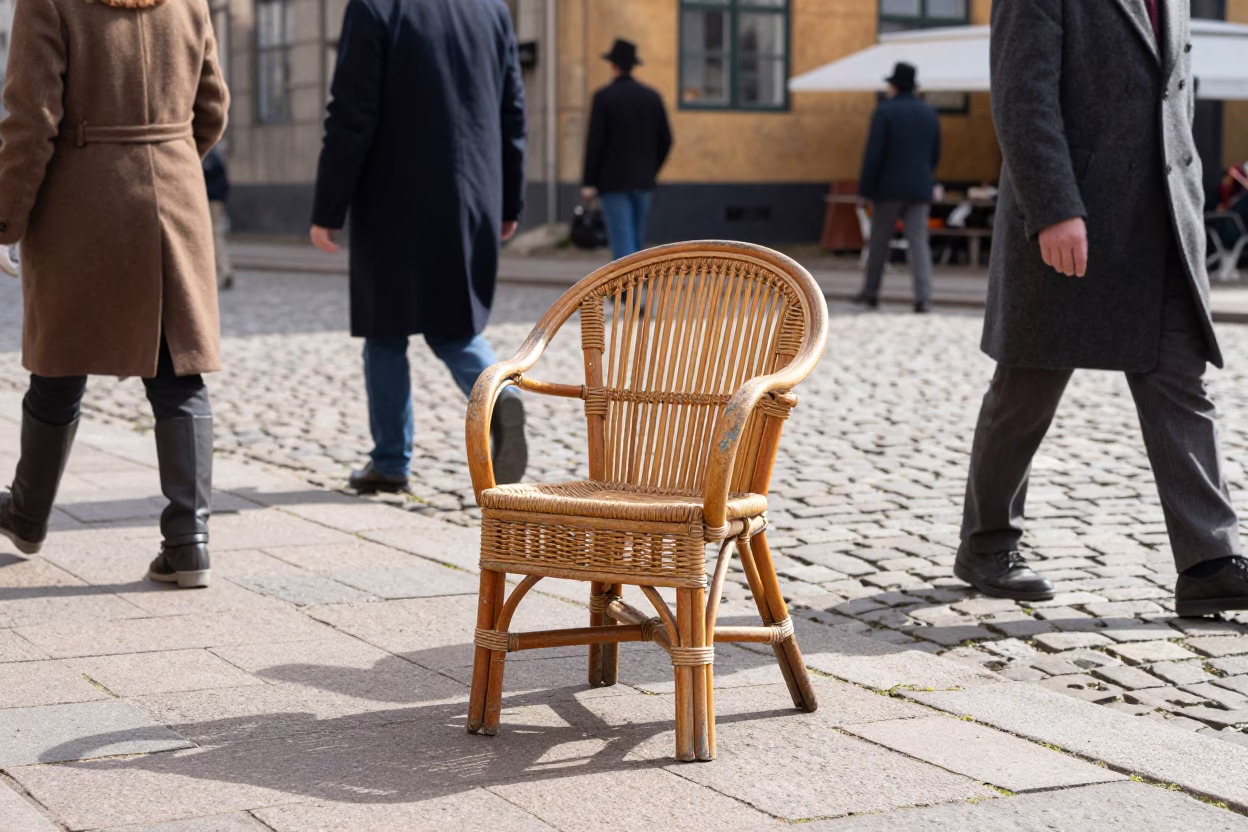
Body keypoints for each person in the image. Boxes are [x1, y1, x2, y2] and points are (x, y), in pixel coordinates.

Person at [957, 0, 1248, 618]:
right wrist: (1054, 206)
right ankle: (987, 545)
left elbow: (1174, 102)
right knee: (1026, 388)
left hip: (1163, 224)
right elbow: (1022, 96)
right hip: (1070, 221)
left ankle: (1209, 562)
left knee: (1180, 380)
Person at [0, 0, 229, 589]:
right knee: (178, 370)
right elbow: (212, 110)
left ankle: (26, 517)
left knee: (57, 364)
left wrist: (7, 220)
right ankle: (189, 541)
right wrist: (163, 161)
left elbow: (30, 119)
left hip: (80, 203)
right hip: (174, 195)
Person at [310, 0, 528, 493]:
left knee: (385, 332)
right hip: (474, 191)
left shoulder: (374, 7)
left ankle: (390, 462)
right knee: (456, 329)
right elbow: (512, 109)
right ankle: (498, 399)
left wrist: (328, 208)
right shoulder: (491, 10)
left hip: (394, 198)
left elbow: (350, 111)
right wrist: (509, 200)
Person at [851, 62, 941, 314]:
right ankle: (923, 297)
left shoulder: (885, 112)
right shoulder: (928, 113)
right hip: (920, 188)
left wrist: (865, 190)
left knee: (879, 242)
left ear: (893, 86)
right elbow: (935, 153)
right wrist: (927, 178)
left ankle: (871, 292)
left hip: (888, 189)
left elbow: (873, 155)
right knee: (918, 243)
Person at [581, 39, 673, 262]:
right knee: (636, 239)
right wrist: (651, 169)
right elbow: (667, 140)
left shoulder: (604, 97)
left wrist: (588, 181)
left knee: (622, 238)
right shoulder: (652, 98)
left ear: (613, 65)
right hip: (643, 181)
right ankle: (635, 289)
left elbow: (595, 143)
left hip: (612, 182)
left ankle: (626, 294)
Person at [203, 145, 234, 290]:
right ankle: (224, 270)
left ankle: (219, 272)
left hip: (205, 200)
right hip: (217, 200)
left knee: (210, 236)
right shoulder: (218, 154)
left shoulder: (203, 152)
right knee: (217, 234)